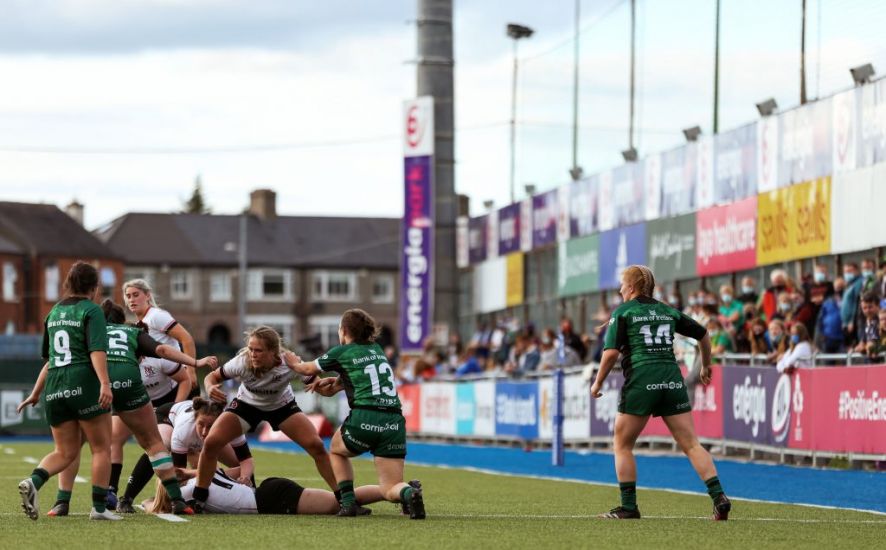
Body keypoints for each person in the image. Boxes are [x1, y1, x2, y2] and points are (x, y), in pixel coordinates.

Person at [21, 300, 217, 517]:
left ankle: (62, 502)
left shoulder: (87, 333)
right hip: (128, 383)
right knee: (152, 442)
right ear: (121, 320)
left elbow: (52, 364)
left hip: (93, 385)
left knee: (75, 446)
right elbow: (162, 349)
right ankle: (177, 501)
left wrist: (36, 392)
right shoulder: (131, 331)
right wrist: (194, 363)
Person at [590, 265, 730, 520]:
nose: (620, 289)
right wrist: (706, 365)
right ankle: (719, 496)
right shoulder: (666, 310)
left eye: (622, 284)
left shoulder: (623, 312)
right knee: (691, 444)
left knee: (622, 444)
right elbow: (703, 334)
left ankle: (629, 507)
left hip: (643, 380)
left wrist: (597, 382)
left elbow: (610, 353)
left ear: (631, 287)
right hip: (672, 380)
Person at [288, 308, 426, 519]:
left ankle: (349, 504)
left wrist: (290, 361)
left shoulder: (341, 352)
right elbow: (362, 378)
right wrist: (336, 385)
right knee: (390, 488)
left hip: (366, 417)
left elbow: (307, 369)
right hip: (394, 422)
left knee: (335, 450)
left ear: (343, 331)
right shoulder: (376, 349)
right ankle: (408, 493)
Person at [192, 326, 337, 512]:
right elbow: (211, 377)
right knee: (211, 443)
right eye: (250, 349)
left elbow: (318, 386)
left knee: (316, 446)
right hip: (246, 405)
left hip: (281, 406)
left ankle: (344, 499)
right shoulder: (241, 361)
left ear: (273, 352)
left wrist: (328, 387)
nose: (252, 354)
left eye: (258, 350)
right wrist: (210, 387)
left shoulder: (290, 363)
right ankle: (199, 499)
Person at [17, 262, 117, 520]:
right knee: (101, 448)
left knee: (64, 452)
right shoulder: (92, 311)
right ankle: (99, 508)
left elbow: (50, 360)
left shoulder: (53, 313)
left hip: (54, 389)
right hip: (82, 383)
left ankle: (34, 482)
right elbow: (96, 350)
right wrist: (105, 383)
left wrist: (36, 393)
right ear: (94, 288)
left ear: (68, 284)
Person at [110, 278, 196, 507]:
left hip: (173, 386)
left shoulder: (156, 316)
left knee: (163, 443)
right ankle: (112, 491)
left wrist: (191, 371)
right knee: (115, 438)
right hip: (145, 390)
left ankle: (231, 485)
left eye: (136, 294)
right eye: (128, 296)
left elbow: (185, 338)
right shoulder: (136, 325)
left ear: (148, 295)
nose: (131, 299)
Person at [117, 395, 254, 512]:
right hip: (167, 418)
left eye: (210, 426)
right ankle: (126, 499)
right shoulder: (184, 430)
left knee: (240, 467)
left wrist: (246, 477)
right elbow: (178, 473)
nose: (205, 432)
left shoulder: (231, 425)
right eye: (201, 425)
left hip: (211, 437)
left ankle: (250, 493)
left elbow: (245, 460)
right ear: (195, 420)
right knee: (160, 448)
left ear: (220, 423)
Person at [144, 470, 385, 515]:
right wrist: (189, 471)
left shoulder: (186, 494)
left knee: (336, 503)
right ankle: (392, 491)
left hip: (272, 499)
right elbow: (233, 470)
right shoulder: (200, 477)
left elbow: (152, 505)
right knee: (337, 500)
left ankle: (392, 491)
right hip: (268, 493)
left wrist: (149, 502)